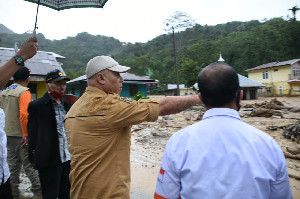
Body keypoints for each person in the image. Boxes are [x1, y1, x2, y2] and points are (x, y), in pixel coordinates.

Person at [64, 55, 202, 199]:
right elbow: (162, 106)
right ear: (101, 78)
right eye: (117, 75)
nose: (122, 79)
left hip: (79, 192)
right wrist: (199, 98)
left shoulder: (73, 110)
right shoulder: (108, 106)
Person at [154, 62, 293, 199]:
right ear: (240, 96)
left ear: (201, 98)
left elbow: (163, 196)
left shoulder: (178, 142)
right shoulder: (269, 145)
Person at [0, 37, 38, 199]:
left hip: (6, 135)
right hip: (20, 135)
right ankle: (39, 193)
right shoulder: (24, 92)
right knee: (29, 166)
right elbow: (24, 115)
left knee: (12, 166)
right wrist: (26, 134)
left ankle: (14, 193)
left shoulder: (5, 91)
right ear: (27, 79)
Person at [27, 69, 71, 199]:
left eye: (64, 83)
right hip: (48, 158)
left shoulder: (67, 104)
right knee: (50, 194)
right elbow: (32, 132)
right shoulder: (37, 105)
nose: (62, 87)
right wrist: (32, 157)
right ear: (48, 84)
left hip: (67, 158)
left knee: (66, 193)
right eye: (58, 83)